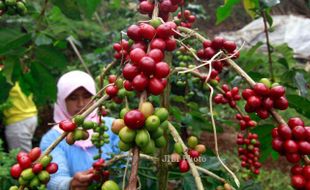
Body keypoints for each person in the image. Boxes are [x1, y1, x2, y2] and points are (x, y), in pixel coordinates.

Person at [40, 70, 119, 190]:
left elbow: (126, 163)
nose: (81, 104)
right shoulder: (52, 139)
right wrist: (70, 184)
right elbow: (54, 178)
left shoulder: (112, 126)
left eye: (87, 96)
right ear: (61, 101)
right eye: (73, 98)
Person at [3, 82, 38, 152]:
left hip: (18, 120)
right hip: (30, 115)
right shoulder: (17, 71)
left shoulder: (4, 74)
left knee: (22, 158)